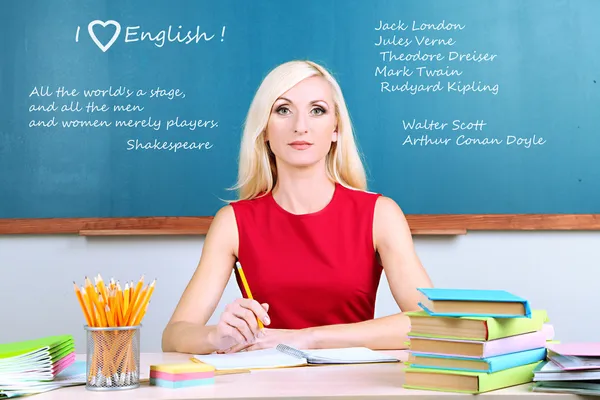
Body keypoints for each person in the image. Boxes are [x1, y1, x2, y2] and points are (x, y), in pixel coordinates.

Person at [162, 60, 433, 355]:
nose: (300, 127)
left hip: (353, 384)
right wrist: (218, 336)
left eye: (317, 110)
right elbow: (175, 336)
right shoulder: (232, 222)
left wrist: (307, 338)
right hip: (264, 385)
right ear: (264, 130)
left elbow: (430, 322)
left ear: (335, 130)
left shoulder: (380, 214)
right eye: (283, 110)